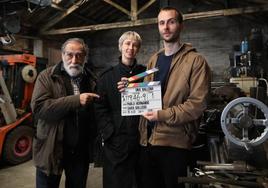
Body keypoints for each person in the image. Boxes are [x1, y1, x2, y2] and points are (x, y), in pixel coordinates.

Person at [118, 7, 211, 188]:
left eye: (171, 22)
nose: (166, 27)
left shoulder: (196, 61)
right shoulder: (154, 59)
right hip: (148, 140)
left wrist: (162, 115)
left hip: (175, 143)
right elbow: (147, 92)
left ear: (180, 26)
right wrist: (129, 88)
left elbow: (197, 104)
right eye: (161, 23)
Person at [31, 38, 100, 188]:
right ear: (62, 55)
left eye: (79, 55)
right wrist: (76, 100)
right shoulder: (46, 76)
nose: (74, 60)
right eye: (69, 55)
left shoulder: (92, 79)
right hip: (51, 147)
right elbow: (39, 108)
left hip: (79, 151)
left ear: (85, 57)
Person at [94, 31, 146, 188]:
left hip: (141, 137)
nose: (131, 48)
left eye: (135, 45)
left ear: (138, 49)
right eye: (127, 44)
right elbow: (99, 107)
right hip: (116, 140)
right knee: (116, 181)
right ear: (120, 47)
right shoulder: (106, 76)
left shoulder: (146, 74)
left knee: (141, 179)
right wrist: (109, 132)